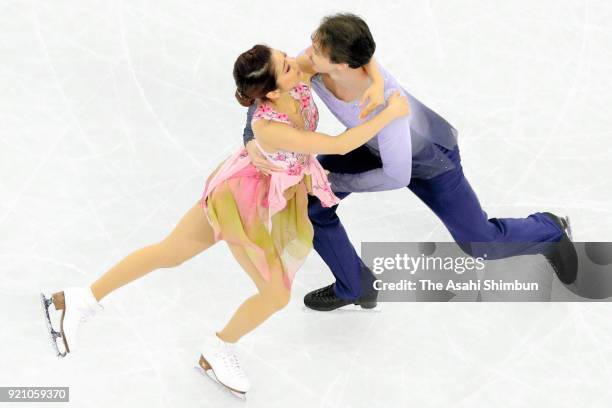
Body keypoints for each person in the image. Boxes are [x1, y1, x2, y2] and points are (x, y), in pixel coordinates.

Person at [40, 44, 409, 397]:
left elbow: (343, 50)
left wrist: (376, 81)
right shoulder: (269, 125)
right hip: (244, 199)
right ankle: (216, 349)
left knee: (171, 252)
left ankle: (73, 299)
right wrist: (390, 112)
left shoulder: (294, 77)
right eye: (286, 65)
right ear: (269, 92)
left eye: (285, 57)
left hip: (262, 189)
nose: (297, 62)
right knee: (274, 293)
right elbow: (340, 145)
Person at [242, 13, 578, 312]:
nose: (304, 54)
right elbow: (270, 87)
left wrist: (335, 181)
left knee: (480, 243)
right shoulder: (315, 63)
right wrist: (252, 139)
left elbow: (396, 176)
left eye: (315, 49)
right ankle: (356, 285)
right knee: (311, 205)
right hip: (369, 144)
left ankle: (549, 228)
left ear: (343, 64)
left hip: (430, 161)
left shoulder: (388, 105)